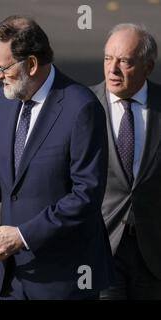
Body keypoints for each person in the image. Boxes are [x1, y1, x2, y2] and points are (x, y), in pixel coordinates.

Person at [0, 16, 114, 299]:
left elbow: (86, 196)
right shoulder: (4, 99)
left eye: (2, 67)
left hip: (64, 281)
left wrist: (22, 236)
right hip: (13, 278)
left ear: (31, 64)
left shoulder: (82, 108)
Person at [91, 23, 161, 299]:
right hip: (102, 247)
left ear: (148, 67)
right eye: (108, 59)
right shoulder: (84, 105)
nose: (113, 69)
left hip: (153, 253)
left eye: (125, 61)